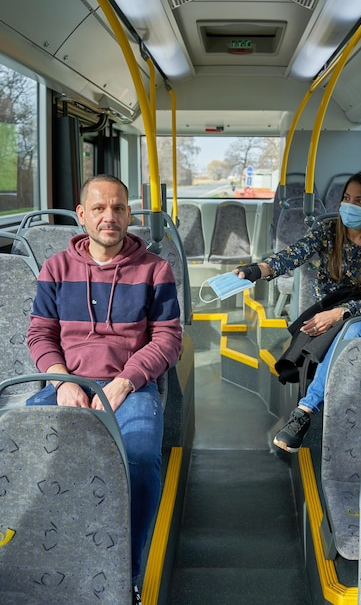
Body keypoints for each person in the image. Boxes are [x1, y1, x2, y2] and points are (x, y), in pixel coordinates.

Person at [26, 174, 182, 604]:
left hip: (130, 385)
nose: (108, 217)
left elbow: (168, 339)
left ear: (129, 214)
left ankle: (124, 572)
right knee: (20, 447)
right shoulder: (56, 268)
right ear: (82, 215)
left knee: (136, 457)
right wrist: (60, 379)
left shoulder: (155, 270)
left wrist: (124, 383)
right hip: (66, 381)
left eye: (117, 208)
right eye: (98, 208)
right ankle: (31, 557)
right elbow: (40, 334)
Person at [235, 170, 361, 453]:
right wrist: (258, 270)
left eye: (359, 201)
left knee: (354, 329)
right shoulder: (328, 231)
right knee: (323, 331)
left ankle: (304, 410)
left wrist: (341, 314)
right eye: (346, 198)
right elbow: (294, 253)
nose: (349, 206)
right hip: (331, 306)